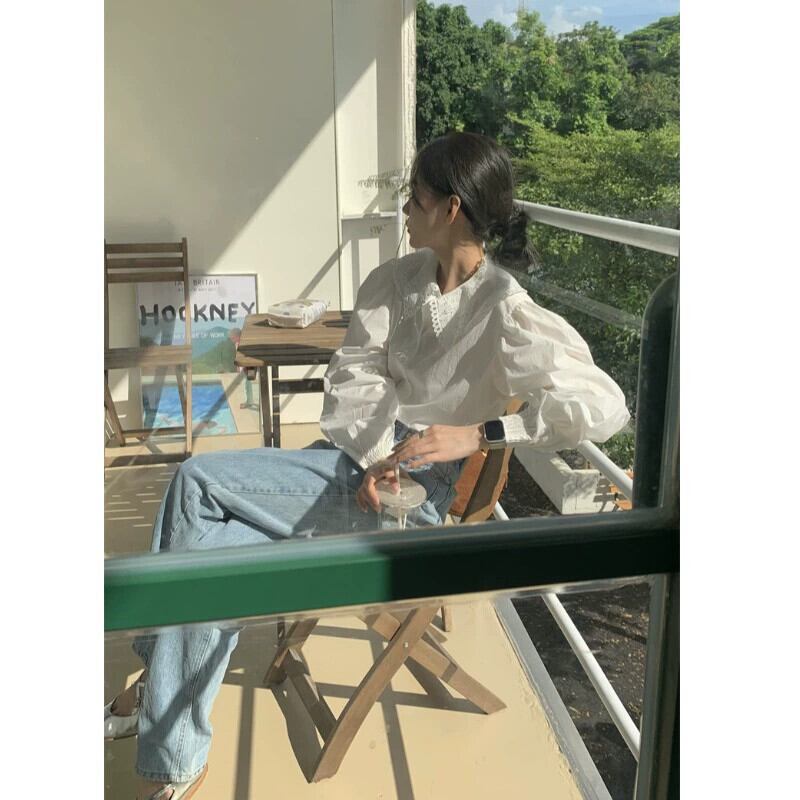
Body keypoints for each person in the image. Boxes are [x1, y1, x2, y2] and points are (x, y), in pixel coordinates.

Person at [104, 131, 630, 799]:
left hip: (413, 501)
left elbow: (603, 406)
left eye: (415, 198)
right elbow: (355, 373)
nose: (405, 210)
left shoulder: (503, 308)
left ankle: (154, 695)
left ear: (452, 209)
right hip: (355, 460)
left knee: (196, 479)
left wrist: (483, 432)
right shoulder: (394, 282)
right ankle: (174, 753)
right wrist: (379, 451)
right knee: (214, 556)